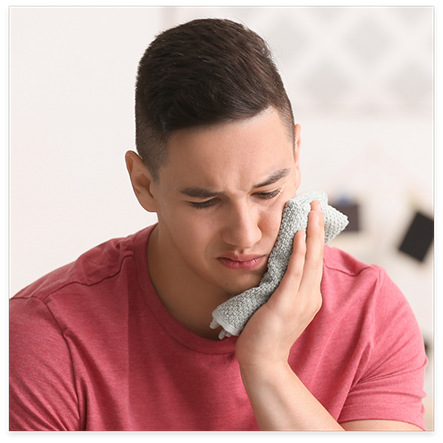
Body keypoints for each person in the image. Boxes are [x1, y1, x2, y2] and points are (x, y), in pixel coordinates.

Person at [9, 18, 427, 431]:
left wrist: (266, 367)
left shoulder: (368, 313)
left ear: (297, 156)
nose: (245, 235)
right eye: (205, 202)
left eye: (266, 194)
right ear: (143, 183)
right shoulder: (47, 338)